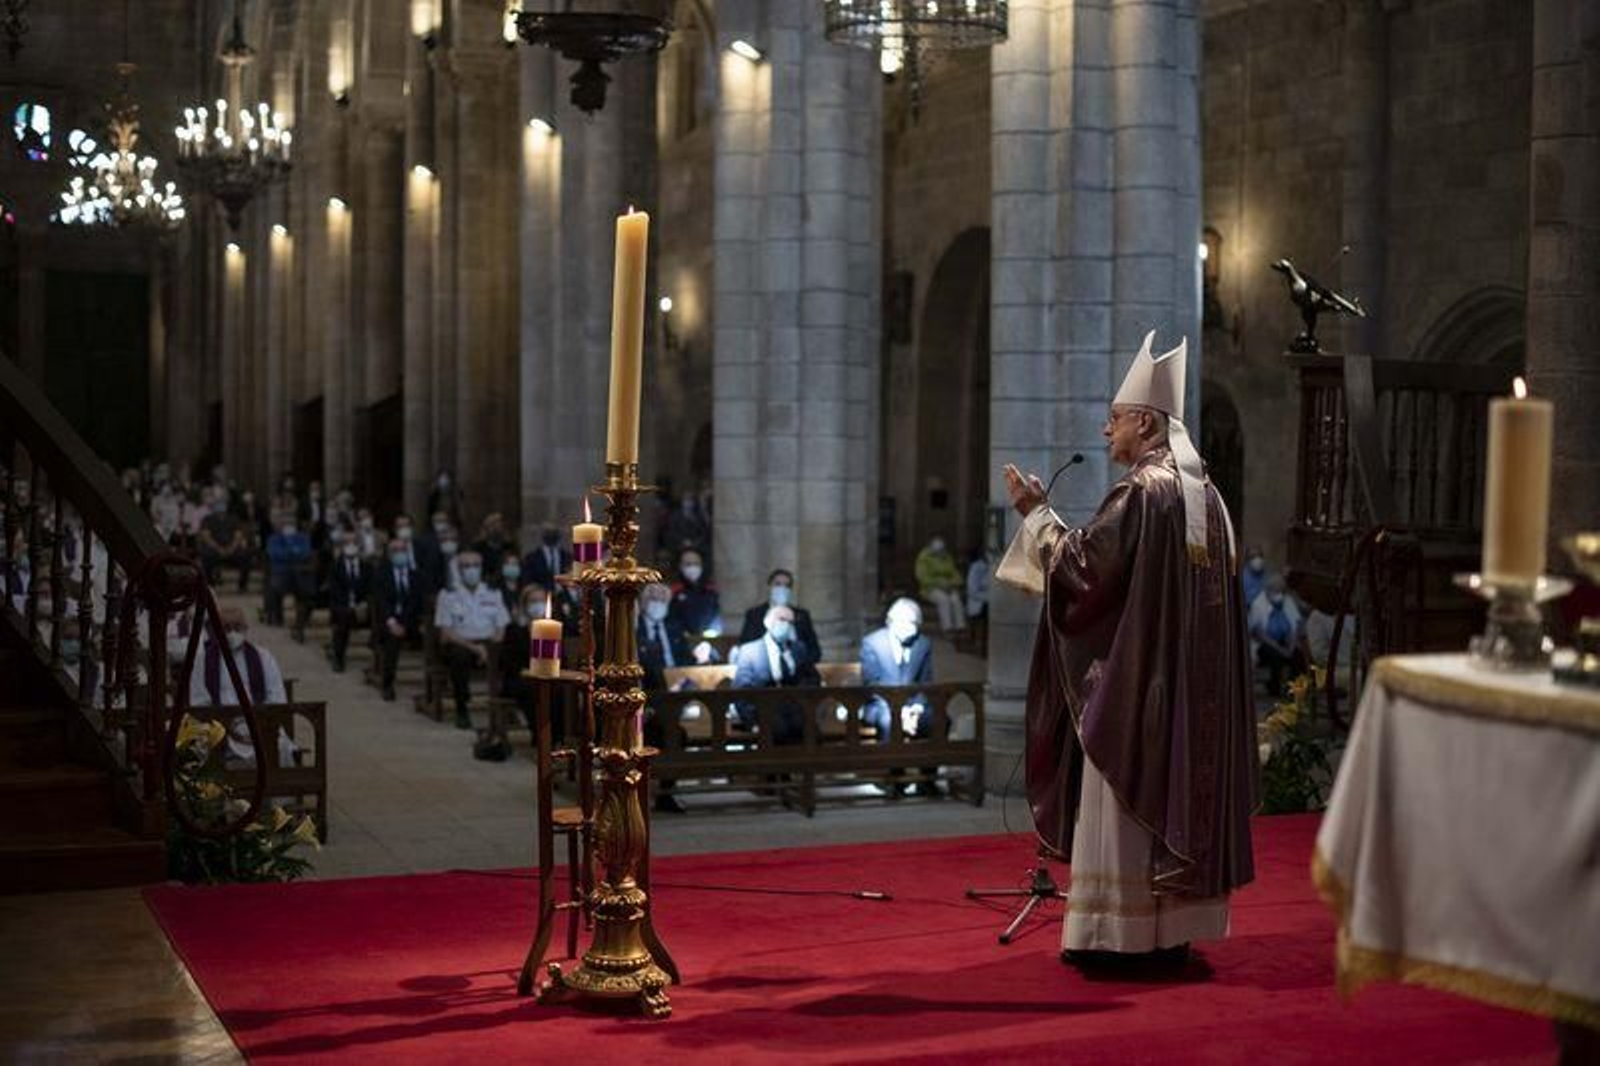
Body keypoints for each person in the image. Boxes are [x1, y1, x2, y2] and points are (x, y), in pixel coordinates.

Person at [1001, 328, 1256, 970]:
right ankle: (1170, 932)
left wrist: (1035, 514)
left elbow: (1085, 573)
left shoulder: (1144, 492)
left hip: (1140, 690)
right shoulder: (1210, 497)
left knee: (1121, 801)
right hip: (1192, 700)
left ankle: (1119, 938)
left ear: (1145, 421)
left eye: (1113, 420)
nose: (1103, 432)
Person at [186, 607, 298, 770]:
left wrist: (258, 722)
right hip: (219, 726)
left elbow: (276, 697)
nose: (232, 633)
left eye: (237, 628)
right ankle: (217, 794)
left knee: (280, 747)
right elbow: (199, 701)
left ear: (245, 629)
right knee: (202, 750)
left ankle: (275, 794)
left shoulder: (263, 657)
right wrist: (223, 724)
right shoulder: (202, 661)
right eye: (226, 628)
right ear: (216, 631)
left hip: (259, 724)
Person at [432, 550, 510, 729]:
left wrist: (493, 647)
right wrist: (475, 648)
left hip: (489, 643)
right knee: (459, 657)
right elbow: (446, 631)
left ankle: (506, 707)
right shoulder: (448, 595)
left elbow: (501, 625)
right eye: (466, 566)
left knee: (513, 656)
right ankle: (462, 709)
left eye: (475, 565)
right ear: (458, 570)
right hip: (461, 643)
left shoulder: (492, 592)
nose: (471, 570)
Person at [730, 604, 819, 744]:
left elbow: (812, 678)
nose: (786, 625)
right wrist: (752, 722)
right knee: (777, 730)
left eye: (791, 622)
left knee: (811, 731)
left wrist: (804, 702)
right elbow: (742, 690)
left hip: (795, 709)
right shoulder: (750, 651)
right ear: (768, 621)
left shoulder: (798, 648)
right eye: (782, 619)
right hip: (764, 710)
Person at [373, 537, 425, 701]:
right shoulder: (382, 575)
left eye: (403, 550)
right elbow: (382, 603)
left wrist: (406, 624)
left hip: (411, 621)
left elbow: (417, 602)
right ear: (389, 554)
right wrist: (393, 623)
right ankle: (388, 685)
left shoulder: (416, 575)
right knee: (391, 641)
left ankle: (436, 687)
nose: (400, 554)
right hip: (391, 621)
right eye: (396, 551)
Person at [737, 569, 821, 666]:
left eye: (787, 586)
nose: (782, 589)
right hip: (763, 669)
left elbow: (815, 651)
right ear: (769, 586)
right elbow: (746, 645)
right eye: (778, 584)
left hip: (797, 671)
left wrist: (798, 665)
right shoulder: (754, 615)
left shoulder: (802, 616)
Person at [1249, 574, 1307, 698]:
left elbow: (1295, 625)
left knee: (1298, 656)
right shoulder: (1258, 604)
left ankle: (1293, 691)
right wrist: (1281, 650)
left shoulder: (1287, 601)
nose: (1279, 594)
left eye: (1282, 590)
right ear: (1268, 590)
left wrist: (1291, 648)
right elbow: (1259, 633)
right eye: (1276, 590)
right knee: (1275, 657)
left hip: (1285, 641)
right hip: (1266, 643)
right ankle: (1274, 688)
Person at [327, 528, 371, 673]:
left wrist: (364, 603)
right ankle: (338, 658)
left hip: (363, 608)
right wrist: (350, 607)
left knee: (381, 615)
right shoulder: (335, 566)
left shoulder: (367, 567)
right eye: (347, 542)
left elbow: (372, 589)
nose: (350, 545)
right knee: (342, 618)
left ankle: (378, 656)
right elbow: (334, 591)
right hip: (343, 607)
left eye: (354, 542)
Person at [264, 514, 314, 641]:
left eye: (291, 522)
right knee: (275, 587)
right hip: (281, 573)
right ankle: (276, 617)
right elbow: (274, 554)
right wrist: (293, 551)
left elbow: (306, 553)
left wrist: (288, 552)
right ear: (280, 525)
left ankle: (301, 623)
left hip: (300, 573)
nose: (288, 525)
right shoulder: (273, 538)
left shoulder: (303, 537)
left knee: (307, 591)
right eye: (285, 523)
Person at [197, 493, 253, 592]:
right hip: (215, 548)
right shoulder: (208, 519)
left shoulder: (233, 518)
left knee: (245, 555)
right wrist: (219, 549)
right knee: (206, 555)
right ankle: (209, 584)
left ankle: (242, 585)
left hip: (232, 548)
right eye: (218, 504)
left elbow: (238, 535)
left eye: (223, 504)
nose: (221, 507)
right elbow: (206, 536)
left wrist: (231, 548)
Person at [915, 535, 966, 634]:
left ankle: (960, 627)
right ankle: (947, 628)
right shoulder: (923, 558)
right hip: (929, 589)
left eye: (942, 550)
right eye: (938, 551)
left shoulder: (947, 557)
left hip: (948, 587)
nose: (940, 553)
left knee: (955, 599)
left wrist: (951, 584)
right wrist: (940, 584)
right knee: (943, 600)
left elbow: (955, 574)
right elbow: (922, 577)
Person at [668, 549, 721, 637]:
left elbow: (715, 614)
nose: (693, 567)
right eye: (688, 564)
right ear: (680, 566)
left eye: (696, 563)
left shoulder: (710, 591)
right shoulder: (674, 591)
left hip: (707, 638)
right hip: (680, 638)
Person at [523, 526, 572, 593]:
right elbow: (528, 579)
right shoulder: (532, 557)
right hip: (540, 593)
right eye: (548, 532)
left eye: (553, 532)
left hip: (563, 593)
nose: (551, 535)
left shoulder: (566, 556)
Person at [1241, 546, 1268, 614]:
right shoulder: (1243, 578)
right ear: (1247, 560)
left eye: (1260, 556)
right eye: (1253, 557)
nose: (1257, 559)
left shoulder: (1265, 573)